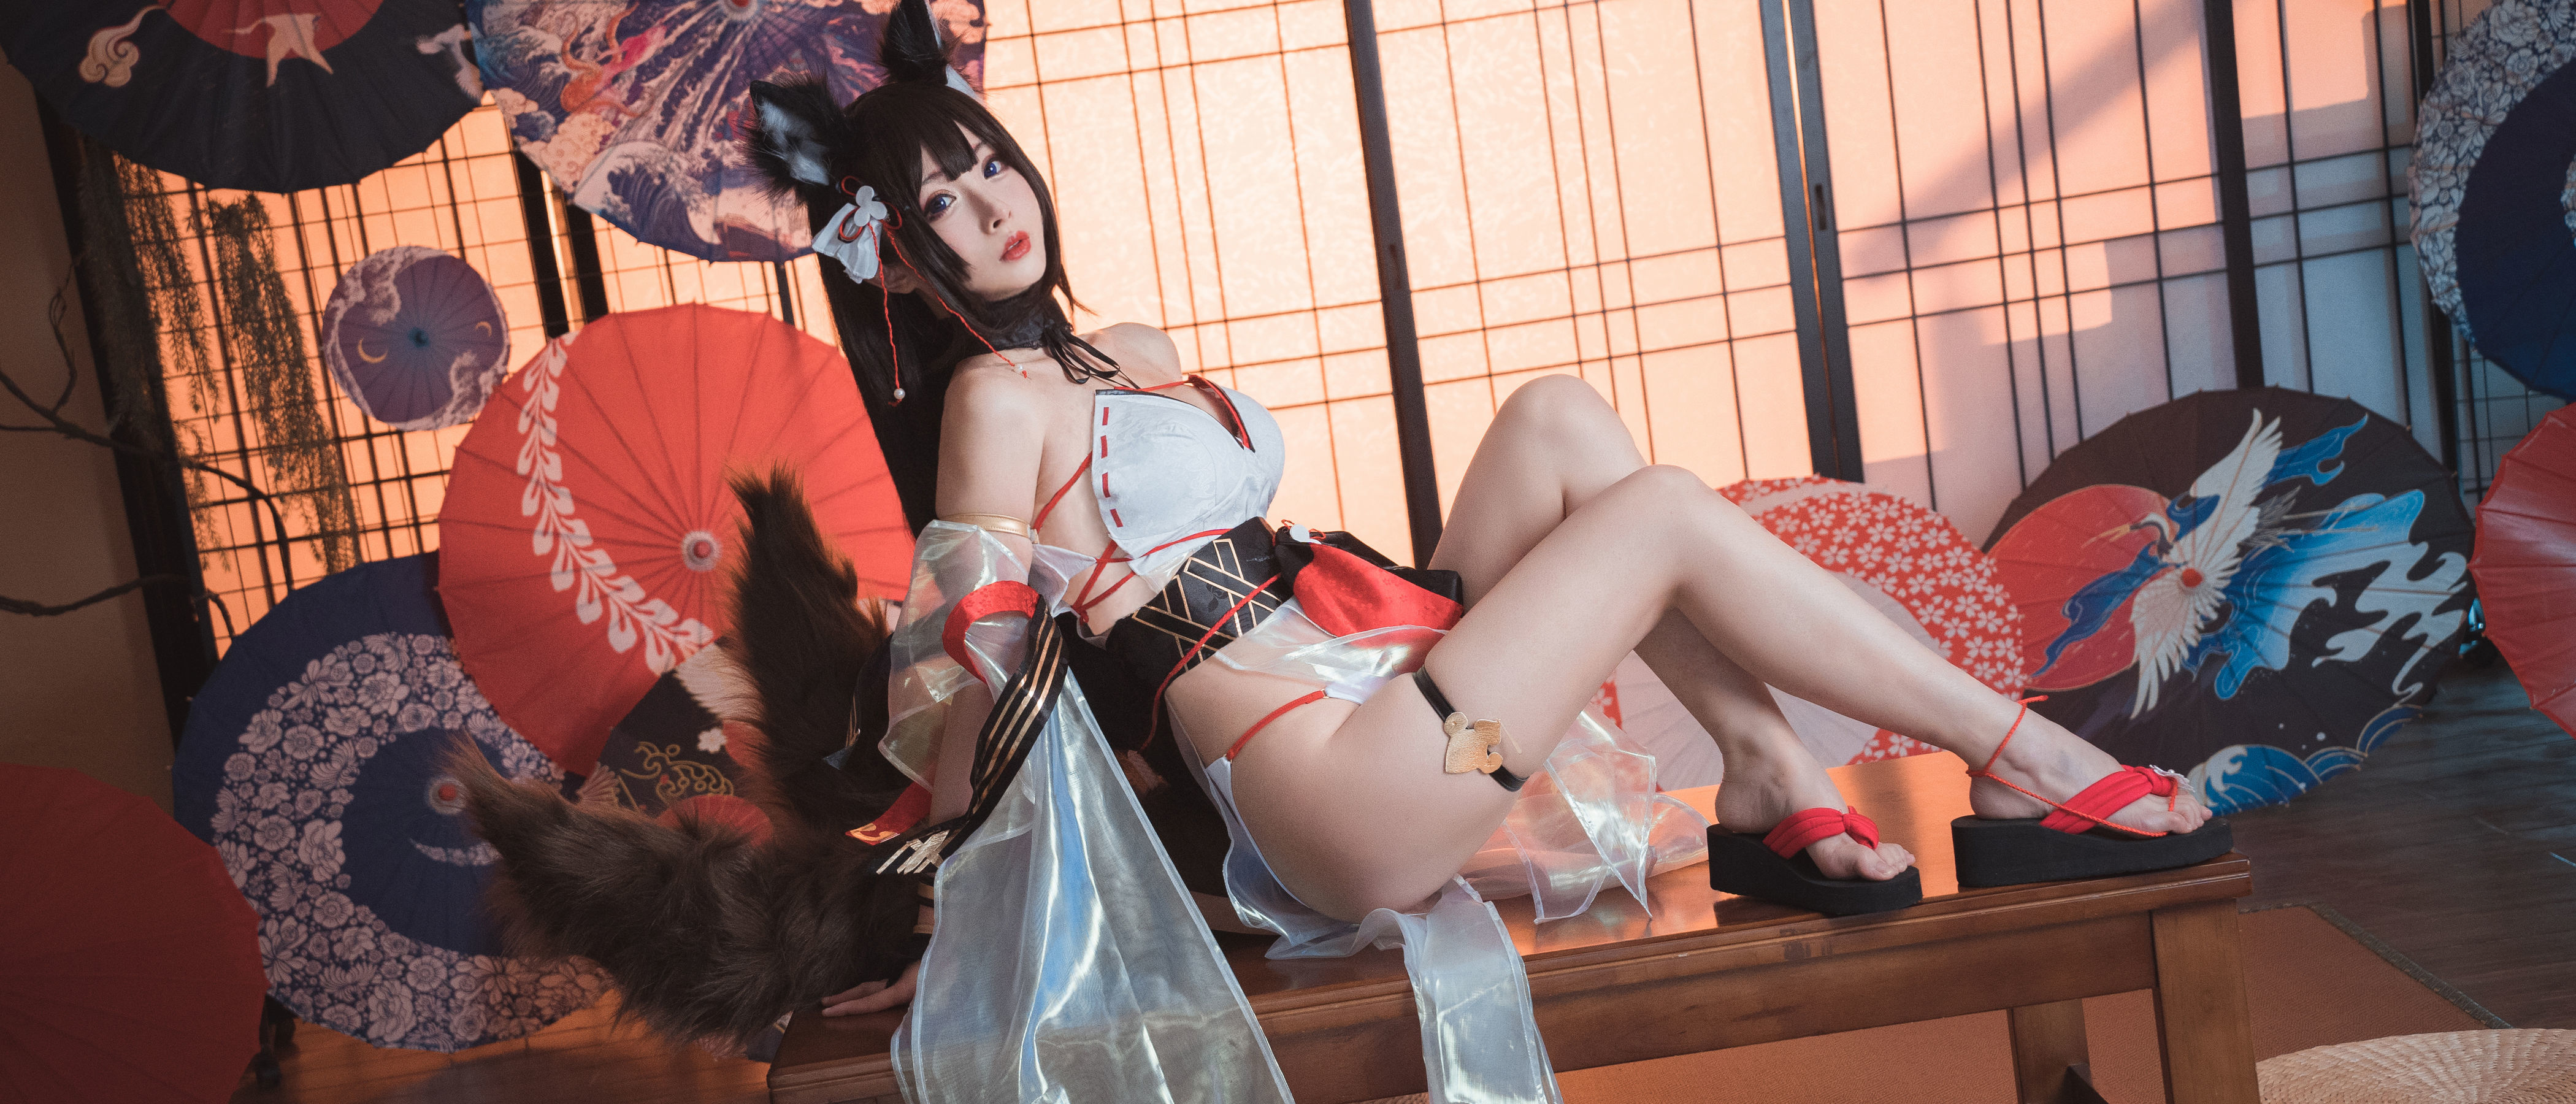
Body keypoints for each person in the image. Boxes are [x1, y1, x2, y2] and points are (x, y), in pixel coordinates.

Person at [461, 2, 2226, 1098]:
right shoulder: (991, 404)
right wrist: (958, 885)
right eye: (937, 209)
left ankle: (1771, 780)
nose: (987, 212)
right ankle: (2025, 755)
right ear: (897, 264)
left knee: (1563, 421)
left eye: (988, 169)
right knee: (1666, 514)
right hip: (1352, 798)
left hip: (1387, 672)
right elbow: (961, 678)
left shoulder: (1131, 349)